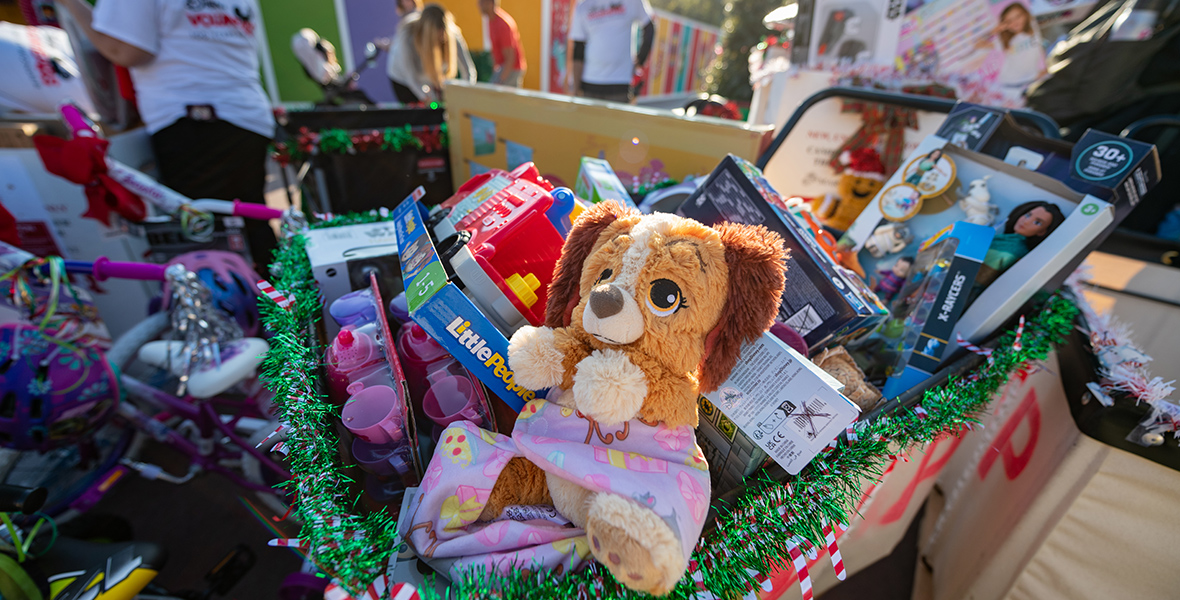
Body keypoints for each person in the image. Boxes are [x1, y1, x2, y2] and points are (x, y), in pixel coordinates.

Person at [59, 0, 277, 270]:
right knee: (245, 227)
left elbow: (126, 51)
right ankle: (283, 302)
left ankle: (274, 306)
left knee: (213, 240)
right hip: (242, 115)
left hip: (198, 125)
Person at [386, 3, 476, 104]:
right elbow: (411, 78)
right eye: (436, 39)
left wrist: (467, 96)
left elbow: (468, 71)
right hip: (403, 80)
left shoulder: (452, 34)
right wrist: (431, 101)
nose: (440, 42)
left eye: (442, 39)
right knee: (419, 113)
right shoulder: (407, 38)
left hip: (429, 78)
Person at [569, 0, 655, 103]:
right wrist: (575, 88)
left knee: (617, 119)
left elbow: (649, 27)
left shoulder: (632, 2)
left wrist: (640, 59)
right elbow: (578, 50)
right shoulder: (583, 6)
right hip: (589, 82)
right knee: (589, 119)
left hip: (619, 82)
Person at [976, 200, 1065, 286]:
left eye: (1037, 222)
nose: (1026, 221)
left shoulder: (1013, 251)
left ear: (1042, 232)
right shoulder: (1005, 239)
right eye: (1027, 215)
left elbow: (980, 277)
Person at [977, 3, 1046, 103]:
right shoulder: (1007, 42)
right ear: (1005, 24)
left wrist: (1041, 71)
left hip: (1033, 82)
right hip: (1010, 87)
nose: (1015, 22)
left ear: (1025, 15)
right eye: (1009, 21)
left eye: (1018, 16)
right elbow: (978, 44)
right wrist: (995, 30)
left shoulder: (1033, 32)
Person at [478, 0, 525, 87]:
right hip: (503, 67)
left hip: (512, 69)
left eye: (482, 2)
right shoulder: (491, 20)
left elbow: (511, 58)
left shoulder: (503, 24)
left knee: (495, 95)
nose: (479, 5)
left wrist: (500, 80)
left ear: (491, 3)